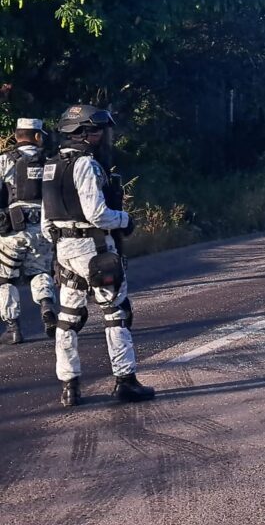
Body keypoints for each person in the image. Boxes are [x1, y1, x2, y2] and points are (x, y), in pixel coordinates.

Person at [41, 104, 155, 408]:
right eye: (99, 130)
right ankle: (125, 380)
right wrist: (124, 219)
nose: (103, 136)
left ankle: (69, 386)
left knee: (68, 319)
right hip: (95, 249)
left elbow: (45, 223)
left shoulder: (50, 166)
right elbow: (97, 214)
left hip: (64, 251)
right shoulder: (86, 165)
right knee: (116, 313)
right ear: (86, 133)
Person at [0, 119, 57, 344]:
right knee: (40, 271)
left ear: (16, 136)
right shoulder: (50, 162)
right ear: (36, 136)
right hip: (42, 227)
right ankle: (46, 305)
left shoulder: (4, 160)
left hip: (11, 230)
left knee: (6, 279)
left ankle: (13, 328)